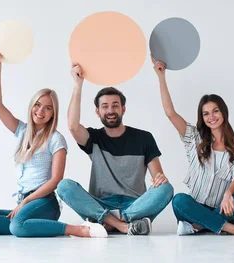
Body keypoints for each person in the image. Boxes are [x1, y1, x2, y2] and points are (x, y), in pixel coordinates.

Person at [0, 52, 107, 238]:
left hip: (44, 202)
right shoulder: (21, 130)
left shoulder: (55, 139)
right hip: (25, 202)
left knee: (17, 228)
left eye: (48, 107)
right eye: (37, 105)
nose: (41, 111)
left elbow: (56, 180)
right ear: (31, 106)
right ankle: (33, 225)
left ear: (53, 113)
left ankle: (77, 229)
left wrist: (26, 201)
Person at [152, 60, 234, 236]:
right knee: (179, 200)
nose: (211, 117)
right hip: (195, 207)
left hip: (225, 207)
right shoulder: (194, 137)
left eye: (215, 111)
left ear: (223, 112)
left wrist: (228, 194)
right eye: (206, 113)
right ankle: (233, 229)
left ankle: (198, 226)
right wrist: (161, 77)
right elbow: (170, 113)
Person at [57, 64, 174, 236]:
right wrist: (78, 85)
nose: (110, 110)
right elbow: (73, 126)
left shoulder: (144, 138)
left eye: (115, 105)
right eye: (105, 106)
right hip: (101, 205)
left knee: (167, 189)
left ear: (123, 109)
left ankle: (111, 223)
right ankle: (123, 225)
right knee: (64, 186)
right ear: (97, 112)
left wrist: (160, 179)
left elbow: (158, 177)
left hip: (134, 205)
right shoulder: (94, 138)